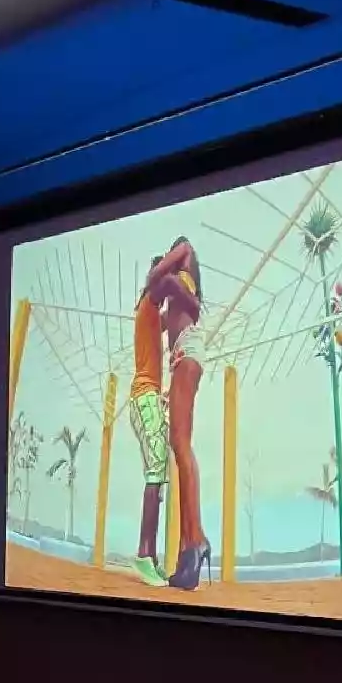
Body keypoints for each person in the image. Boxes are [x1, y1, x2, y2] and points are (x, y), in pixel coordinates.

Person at [145, 237, 211, 590]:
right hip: (182, 355)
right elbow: (158, 317)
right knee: (179, 445)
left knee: (181, 446)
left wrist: (158, 276)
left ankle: (195, 539)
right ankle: (188, 548)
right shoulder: (178, 292)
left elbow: (159, 275)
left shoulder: (185, 251)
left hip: (187, 351)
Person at [126, 264, 172, 584]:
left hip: (148, 397)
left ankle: (151, 558)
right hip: (145, 396)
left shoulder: (153, 316)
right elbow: (162, 284)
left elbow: (176, 320)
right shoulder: (148, 304)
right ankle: (144, 554)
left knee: (158, 473)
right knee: (155, 472)